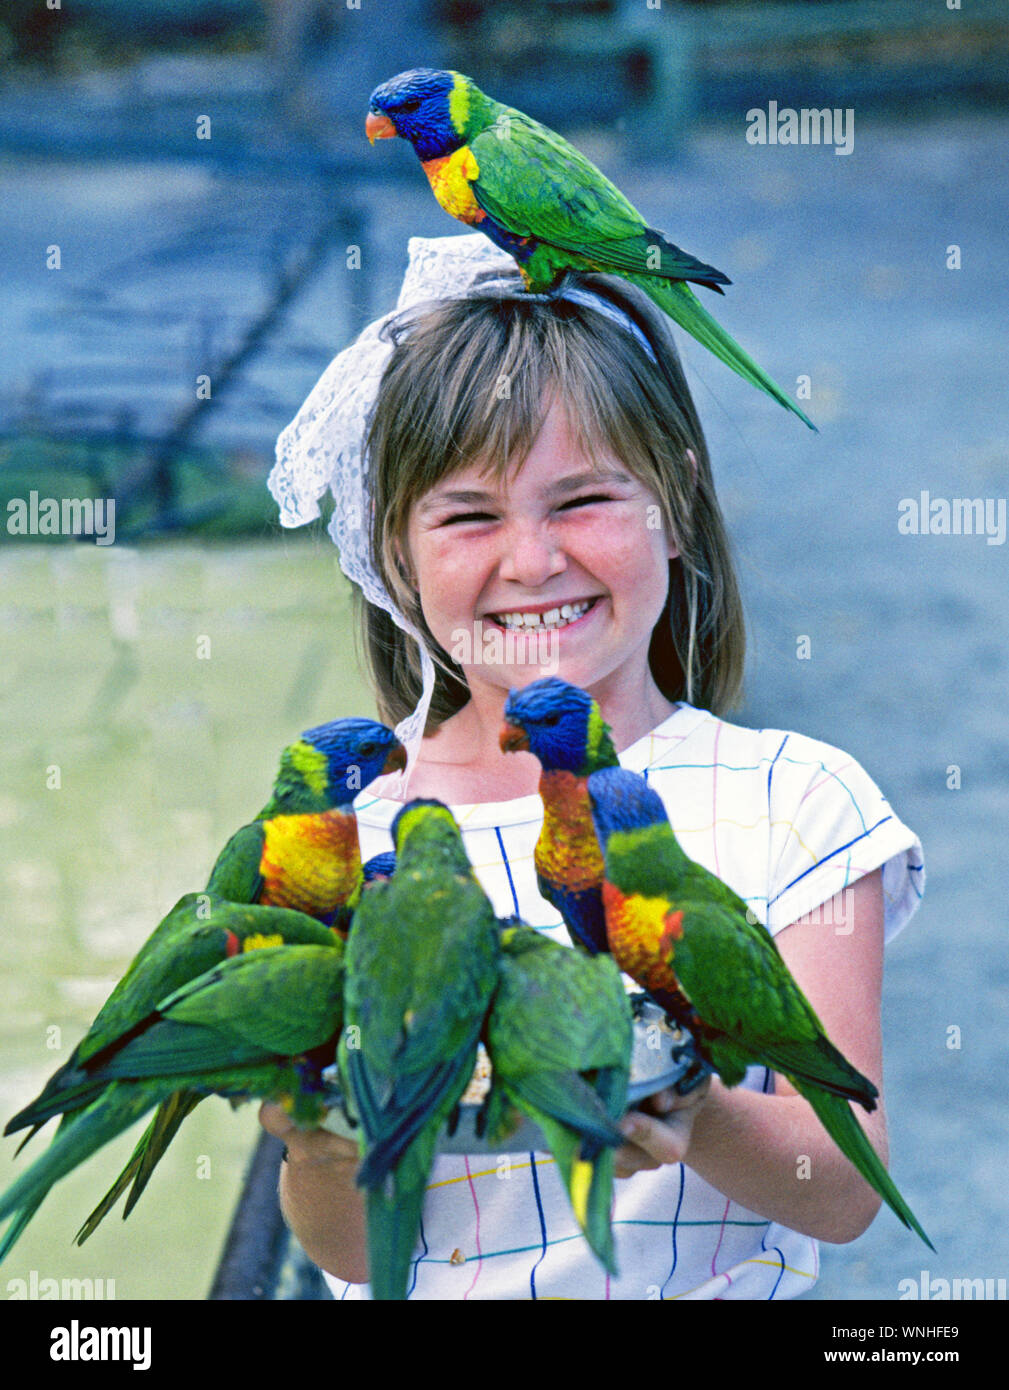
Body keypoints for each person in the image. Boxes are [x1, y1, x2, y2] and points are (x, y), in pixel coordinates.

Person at [260, 234, 924, 1300]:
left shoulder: (794, 801)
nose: (532, 560)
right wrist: (313, 1147)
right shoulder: (348, 844)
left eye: (581, 502)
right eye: (469, 515)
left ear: (677, 508)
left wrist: (688, 1112)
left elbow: (844, 1190)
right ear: (395, 551)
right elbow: (348, 1247)